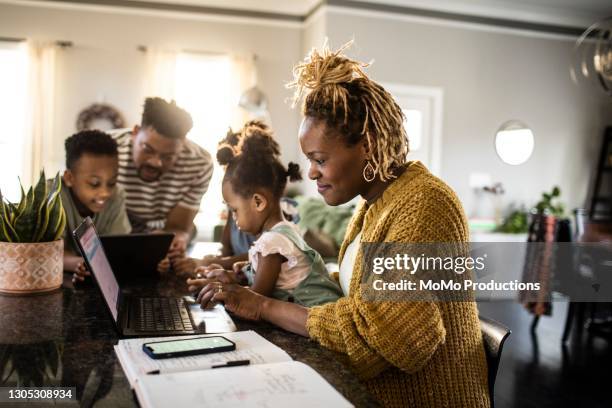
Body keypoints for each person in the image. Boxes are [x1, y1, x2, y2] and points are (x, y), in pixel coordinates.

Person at [189, 43, 489, 407]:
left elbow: (398, 340)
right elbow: (357, 296)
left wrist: (263, 306)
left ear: (368, 145)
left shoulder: (425, 203)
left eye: (319, 159)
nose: (311, 172)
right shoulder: (374, 205)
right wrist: (265, 278)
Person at [188, 121, 342, 307]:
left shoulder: (272, 243)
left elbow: (254, 300)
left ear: (258, 202)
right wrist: (232, 275)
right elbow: (271, 282)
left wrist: (219, 289)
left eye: (235, 210)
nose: (234, 218)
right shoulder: (284, 232)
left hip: (319, 322)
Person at [109, 97, 213, 270]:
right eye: (147, 149)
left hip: (162, 231)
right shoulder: (107, 149)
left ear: (183, 145)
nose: (156, 162)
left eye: (168, 156)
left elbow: (179, 227)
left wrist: (173, 240)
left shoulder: (200, 163)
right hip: (116, 230)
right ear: (135, 132)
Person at [59, 130, 131, 281]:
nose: (105, 193)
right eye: (94, 183)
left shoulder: (116, 196)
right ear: (69, 178)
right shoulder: (54, 198)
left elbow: (119, 250)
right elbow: (49, 254)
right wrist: (80, 263)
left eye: (111, 183)